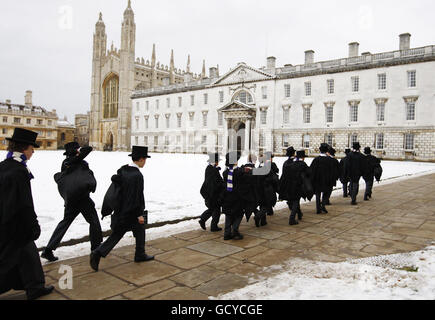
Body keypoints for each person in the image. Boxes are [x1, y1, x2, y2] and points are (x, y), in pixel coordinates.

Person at [0, 128, 54, 300]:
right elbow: (24, 203)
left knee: (28, 254)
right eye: (32, 148)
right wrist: (33, 224)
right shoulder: (19, 171)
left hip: (6, 219)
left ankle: (34, 286)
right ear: (24, 148)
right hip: (16, 222)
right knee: (9, 258)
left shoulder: (5, 165)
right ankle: (34, 286)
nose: (33, 152)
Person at [90, 146, 154, 272]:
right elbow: (136, 197)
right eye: (145, 159)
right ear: (141, 159)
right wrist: (139, 214)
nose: (145, 162)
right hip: (130, 211)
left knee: (136, 230)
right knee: (122, 233)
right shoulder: (137, 175)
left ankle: (140, 254)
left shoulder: (124, 170)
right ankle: (98, 253)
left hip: (121, 210)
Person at [41, 142, 102, 262]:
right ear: (76, 151)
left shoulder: (66, 163)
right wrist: (80, 153)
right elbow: (88, 149)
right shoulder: (73, 162)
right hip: (83, 198)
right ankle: (96, 248)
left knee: (65, 222)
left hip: (72, 199)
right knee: (93, 221)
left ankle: (48, 250)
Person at [221, 151, 252, 240]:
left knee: (228, 215)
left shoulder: (225, 172)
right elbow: (245, 183)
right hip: (237, 197)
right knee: (239, 214)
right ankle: (235, 230)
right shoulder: (239, 172)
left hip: (227, 197)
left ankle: (227, 234)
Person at [281, 150, 310, 225]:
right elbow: (309, 173)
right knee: (296, 201)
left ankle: (299, 214)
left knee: (294, 200)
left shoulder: (292, 164)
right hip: (298, 186)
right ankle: (292, 219)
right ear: (303, 158)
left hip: (290, 185)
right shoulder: (303, 164)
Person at [199, 153, 224, 232]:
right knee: (216, 210)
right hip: (213, 194)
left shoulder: (211, 168)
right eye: (217, 161)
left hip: (212, 193)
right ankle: (213, 226)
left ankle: (203, 220)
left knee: (212, 209)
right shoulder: (212, 169)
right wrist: (221, 184)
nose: (218, 163)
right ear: (215, 161)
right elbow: (214, 183)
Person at [310, 143, 335, 214]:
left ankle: (318, 208)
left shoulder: (316, 159)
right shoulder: (330, 160)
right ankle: (323, 206)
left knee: (318, 194)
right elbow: (332, 171)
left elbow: (312, 170)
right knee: (326, 194)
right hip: (327, 180)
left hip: (317, 180)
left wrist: (312, 179)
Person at [257, 152, 279, 221]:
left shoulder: (260, 165)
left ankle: (264, 221)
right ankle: (258, 216)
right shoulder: (269, 165)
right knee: (268, 201)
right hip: (268, 187)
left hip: (261, 187)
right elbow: (274, 174)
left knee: (263, 203)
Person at [240, 154, 260, 226]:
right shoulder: (256, 170)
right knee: (253, 207)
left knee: (246, 207)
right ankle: (258, 217)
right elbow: (257, 183)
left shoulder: (241, 169)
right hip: (252, 193)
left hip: (243, 193)